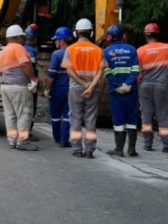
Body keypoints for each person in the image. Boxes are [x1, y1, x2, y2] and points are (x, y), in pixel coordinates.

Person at [62, 18, 104, 158]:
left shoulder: (70, 49)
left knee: (75, 118)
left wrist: (83, 84)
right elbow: (100, 72)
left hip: (75, 88)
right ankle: (90, 150)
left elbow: (69, 71)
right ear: (91, 33)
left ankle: (77, 150)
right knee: (91, 118)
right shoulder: (98, 50)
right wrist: (90, 87)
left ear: (76, 33)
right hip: (93, 89)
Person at [101, 24, 141, 157]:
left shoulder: (106, 52)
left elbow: (106, 71)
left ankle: (119, 149)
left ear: (109, 37)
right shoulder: (132, 49)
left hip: (115, 92)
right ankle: (132, 149)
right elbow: (136, 69)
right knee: (131, 118)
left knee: (118, 119)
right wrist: (128, 84)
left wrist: (117, 85)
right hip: (131, 90)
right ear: (123, 36)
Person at [137, 23, 168, 153]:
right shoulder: (167, 48)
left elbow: (138, 72)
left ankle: (148, 144)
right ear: (158, 34)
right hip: (161, 86)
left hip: (145, 86)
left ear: (145, 35)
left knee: (146, 114)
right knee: (162, 114)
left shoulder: (140, 51)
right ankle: (167, 145)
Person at [0, 24, 39, 151]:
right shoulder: (19, 48)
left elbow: (1, 72)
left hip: (5, 86)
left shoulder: (4, 51)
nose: (24, 40)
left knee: (10, 115)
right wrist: (33, 78)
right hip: (19, 87)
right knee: (24, 114)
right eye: (22, 37)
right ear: (19, 37)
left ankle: (12, 140)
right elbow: (25, 65)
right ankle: (23, 141)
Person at [46, 26, 72, 147]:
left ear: (62, 40)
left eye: (57, 39)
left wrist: (47, 88)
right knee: (68, 115)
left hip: (57, 89)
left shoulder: (56, 54)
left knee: (55, 115)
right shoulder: (73, 52)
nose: (55, 42)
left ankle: (57, 138)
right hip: (70, 88)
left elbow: (51, 74)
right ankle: (64, 140)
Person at [23, 24, 40, 141]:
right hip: (30, 84)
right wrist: (35, 80)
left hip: (21, 82)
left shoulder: (22, 48)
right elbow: (32, 68)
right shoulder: (31, 51)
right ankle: (27, 132)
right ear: (34, 38)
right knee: (30, 108)